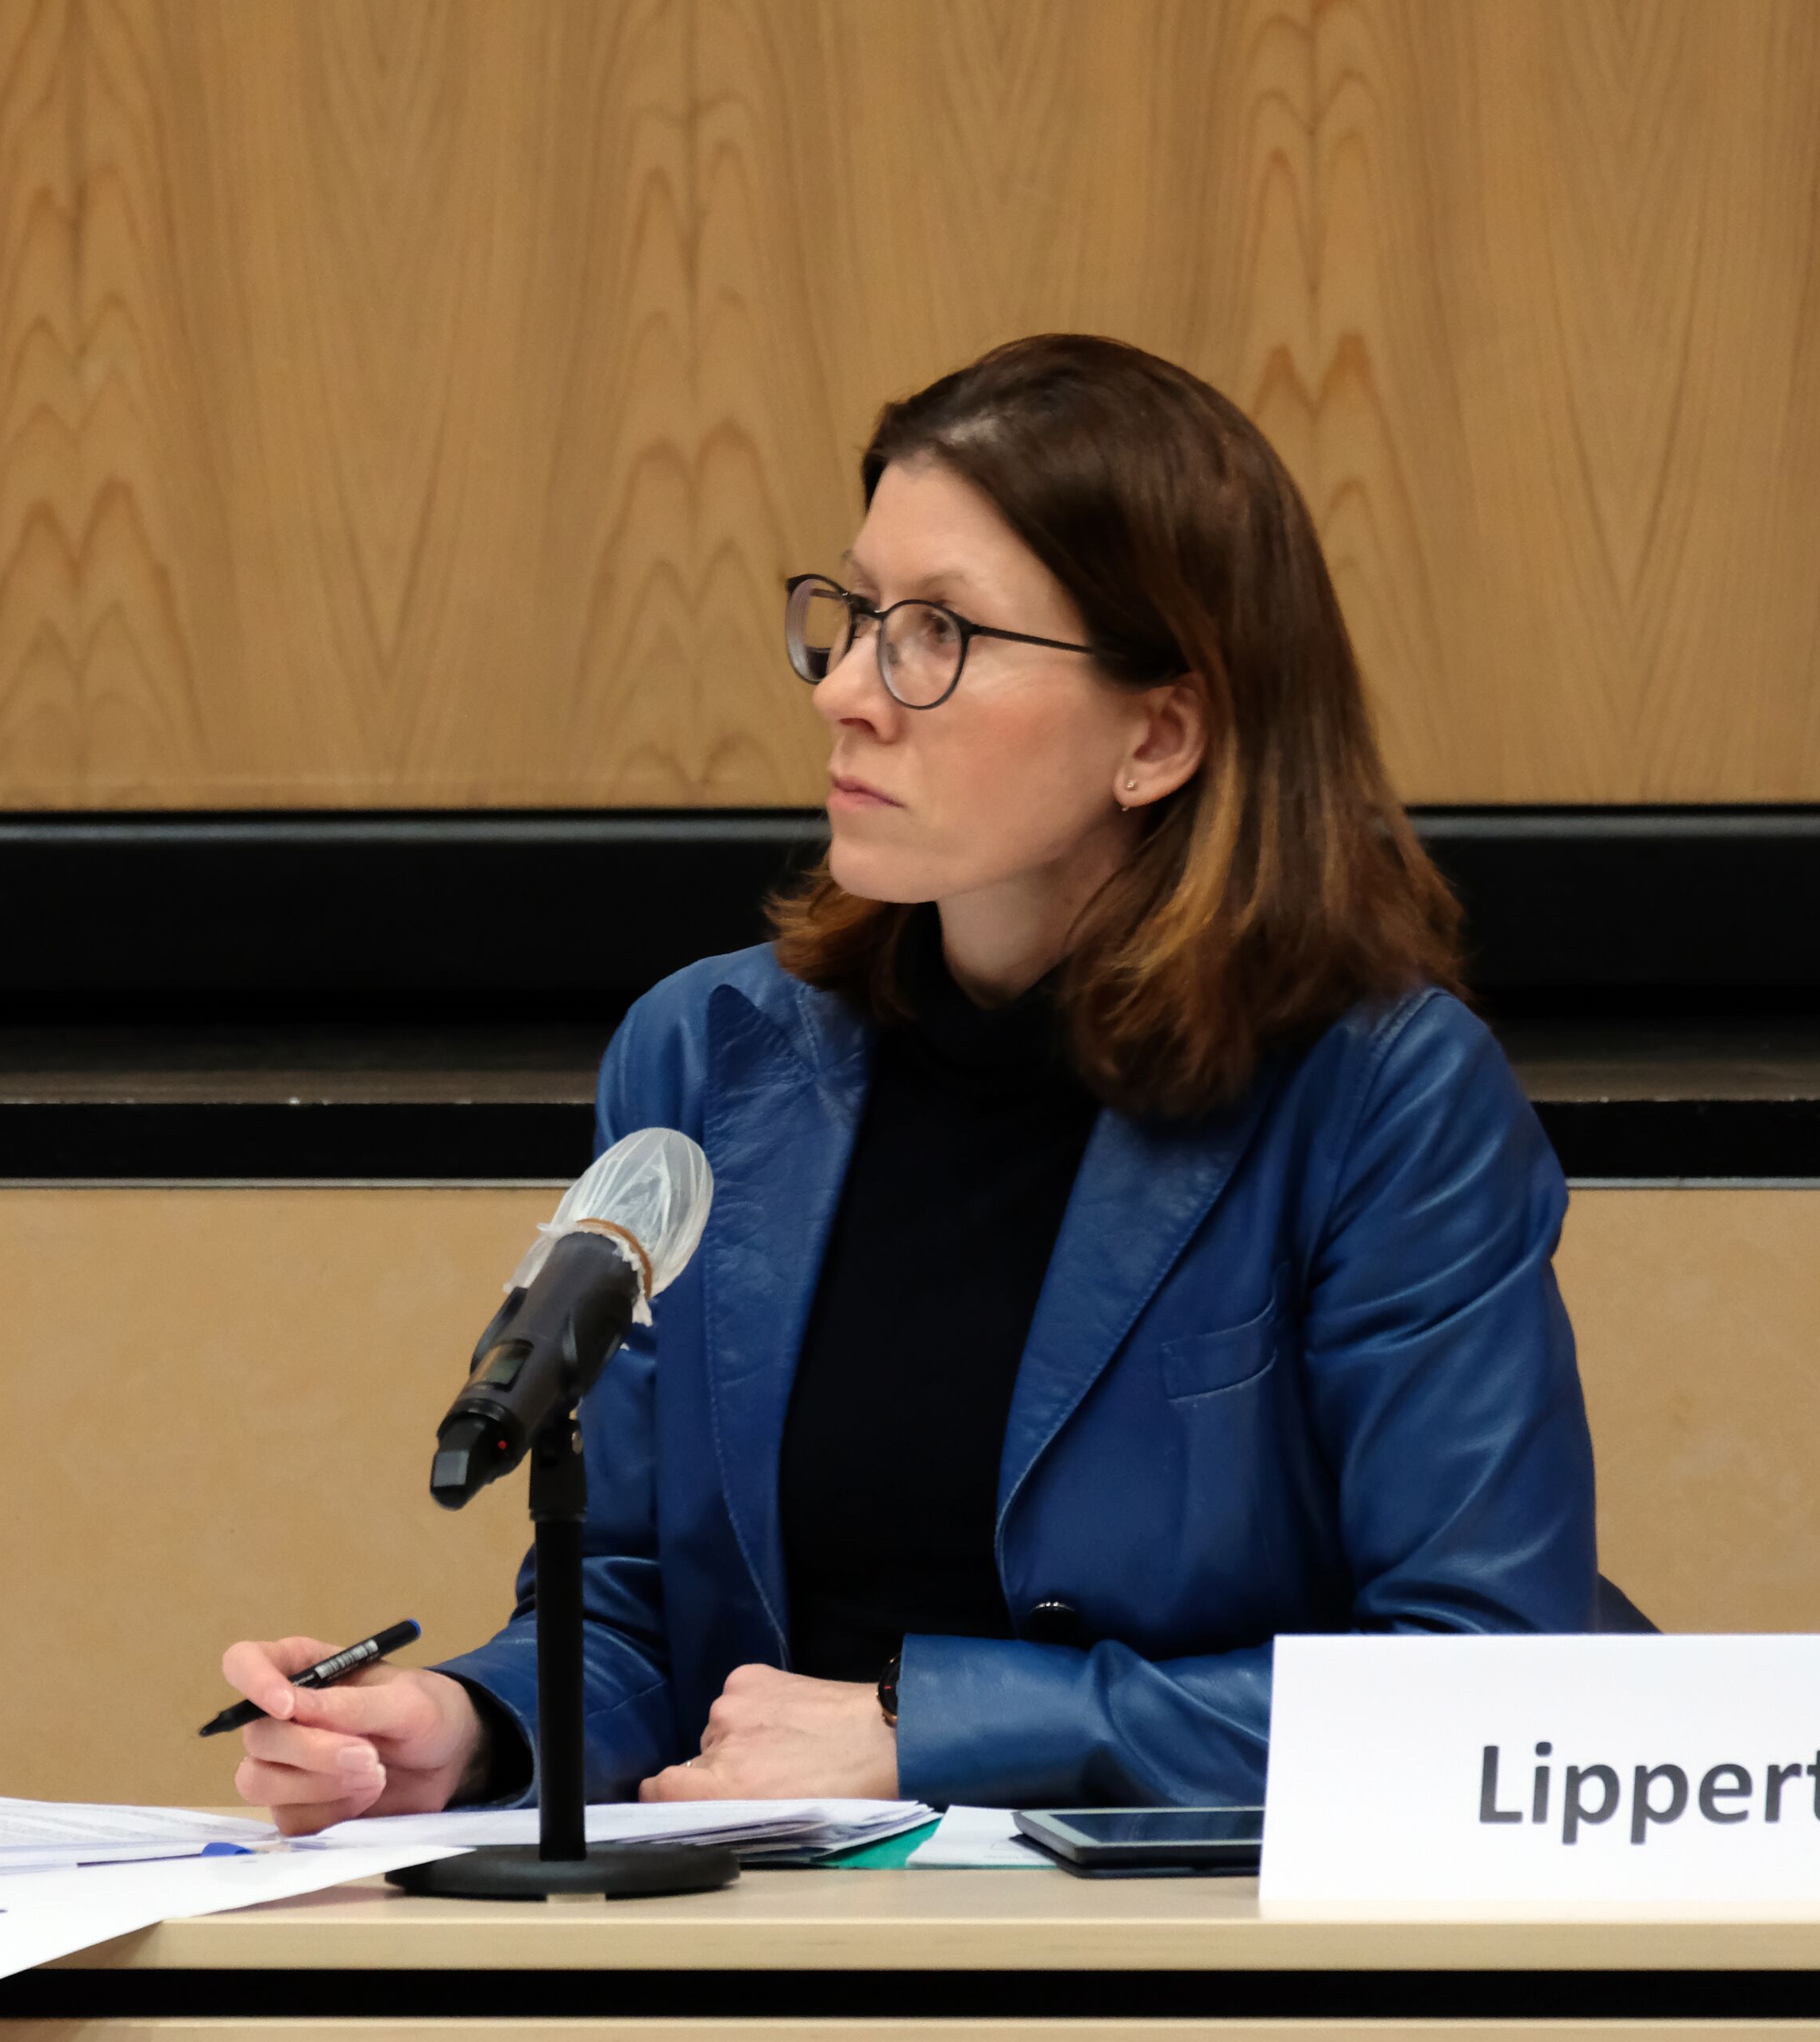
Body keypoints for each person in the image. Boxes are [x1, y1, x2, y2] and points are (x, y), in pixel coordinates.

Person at [219, 334, 1596, 1828]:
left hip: (1207, 1940)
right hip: (800, 1929)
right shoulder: (703, 1057)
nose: (846, 692)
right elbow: (638, 1617)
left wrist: (928, 1730)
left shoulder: (1382, 1097)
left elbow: (1480, 1682)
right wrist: (472, 1729)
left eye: (936, 633)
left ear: (1159, 734)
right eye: (858, 614)